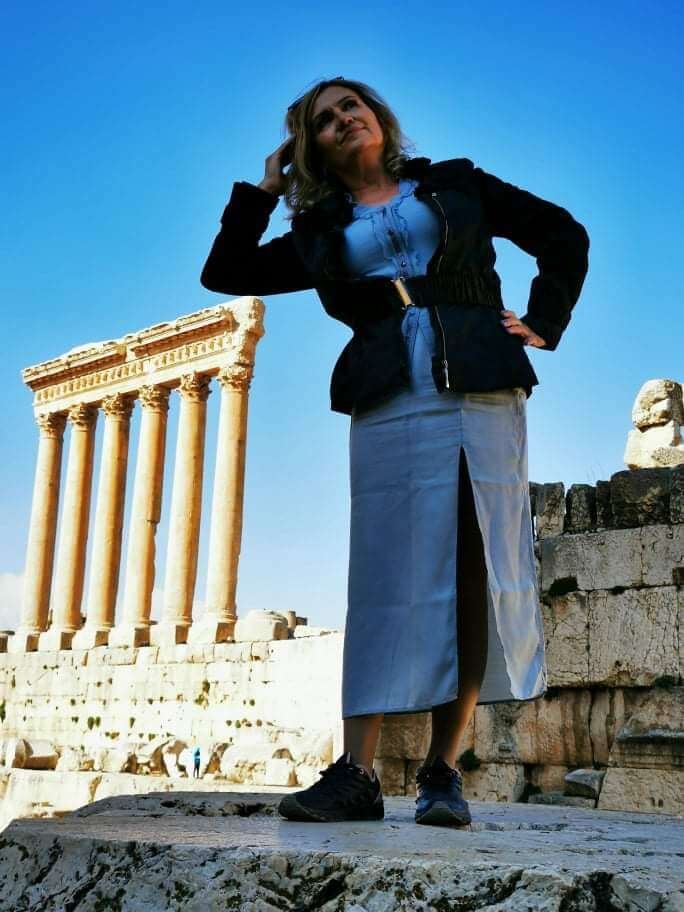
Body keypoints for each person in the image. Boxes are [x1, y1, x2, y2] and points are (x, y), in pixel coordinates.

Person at [201, 78, 589, 827]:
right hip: (386, 389)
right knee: (381, 574)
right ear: (312, 148)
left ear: (378, 116)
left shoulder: (457, 183)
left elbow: (563, 234)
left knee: (471, 568)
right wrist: (263, 191)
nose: (344, 120)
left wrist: (545, 320)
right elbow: (226, 271)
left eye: (352, 105)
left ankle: (443, 771)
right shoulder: (319, 228)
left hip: (478, 379)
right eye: (324, 120)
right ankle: (357, 772)